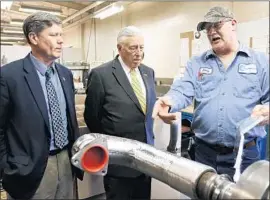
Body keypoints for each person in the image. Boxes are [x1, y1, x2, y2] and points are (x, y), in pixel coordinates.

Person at [152, 6, 269, 179]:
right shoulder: (197, 63)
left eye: (217, 24)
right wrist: (169, 100)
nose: (211, 31)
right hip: (204, 154)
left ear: (233, 24)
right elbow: (183, 89)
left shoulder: (260, 62)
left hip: (244, 155)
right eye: (207, 28)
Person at [0, 12, 83, 199]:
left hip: (66, 161)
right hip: (28, 169)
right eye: (54, 35)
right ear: (34, 37)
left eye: (61, 35)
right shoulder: (9, 76)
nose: (61, 41)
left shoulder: (65, 74)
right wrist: (7, 169)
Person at [84, 26, 156, 200]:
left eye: (141, 47)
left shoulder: (148, 72)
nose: (138, 53)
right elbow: (92, 116)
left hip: (146, 159)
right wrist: (111, 142)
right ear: (119, 48)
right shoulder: (102, 75)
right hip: (119, 161)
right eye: (133, 48)